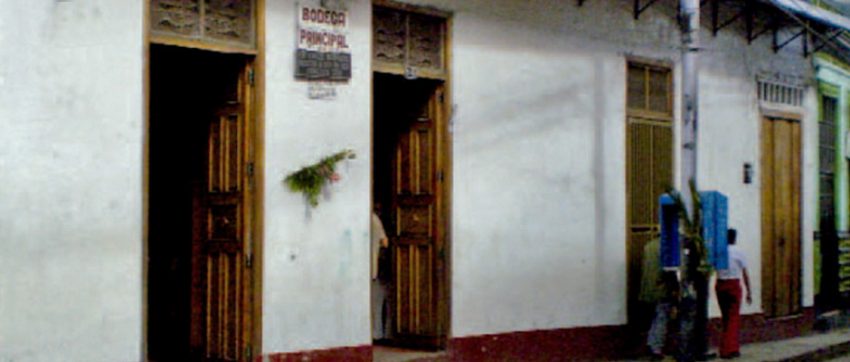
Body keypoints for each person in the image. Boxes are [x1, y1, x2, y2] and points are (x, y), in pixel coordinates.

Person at [640, 237, 680, 360]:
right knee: (662, 319)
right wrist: (675, 289)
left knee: (655, 318)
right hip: (662, 289)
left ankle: (651, 343)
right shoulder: (667, 249)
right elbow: (669, 271)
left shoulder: (648, 246)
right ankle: (656, 349)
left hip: (648, 288)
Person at [715, 228, 752, 359]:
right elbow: (745, 274)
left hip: (720, 285)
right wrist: (749, 291)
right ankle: (729, 349)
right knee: (733, 318)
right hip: (733, 285)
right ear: (735, 238)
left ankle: (727, 347)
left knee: (725, 317)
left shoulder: (719, 252)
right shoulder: (739, 252)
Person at [371, 204, 390, 341]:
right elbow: (385, 243)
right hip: (378, 267)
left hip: (374, 268)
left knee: (375, 303)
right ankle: (385, 333)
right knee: (382, 302)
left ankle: (377, 333)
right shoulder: (375, 220)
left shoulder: (372, 219)